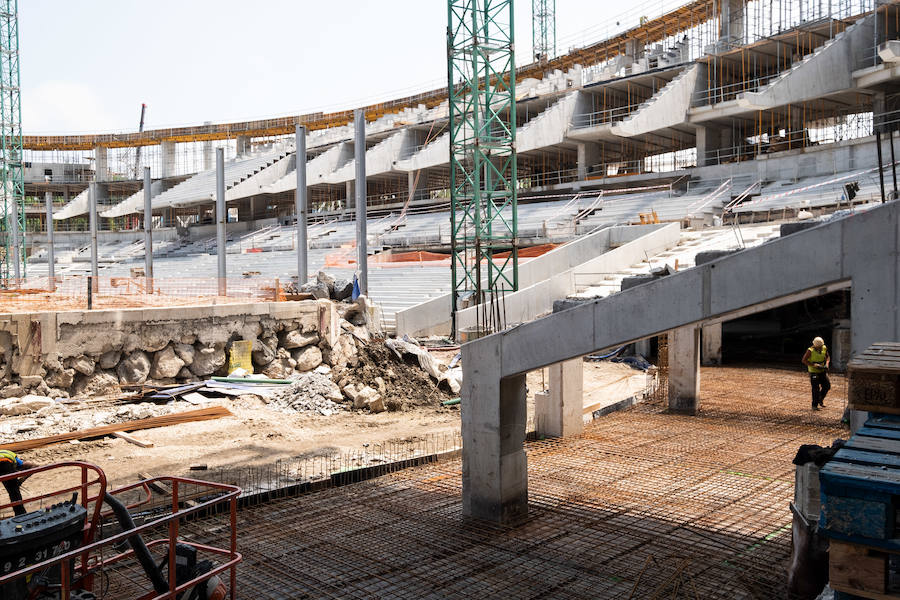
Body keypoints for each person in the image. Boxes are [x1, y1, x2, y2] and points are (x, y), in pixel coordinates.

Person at [0, 449, 37, 516]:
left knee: (12, 490)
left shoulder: (13, 458)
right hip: (5, 463)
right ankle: (20, 514)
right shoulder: (18, 462)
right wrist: (21, 480)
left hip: (6, 463)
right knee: (14, 493)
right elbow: (34, 466)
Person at [802, 337, 831, 410]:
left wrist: (827, 364)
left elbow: (827, 357)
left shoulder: (824, 348)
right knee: (815, 389)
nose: (820, 348)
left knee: (827, 386)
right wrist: (814, 365)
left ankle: (820, 399)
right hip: (813, 371)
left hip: (822, 370)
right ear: (815, 346)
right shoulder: (810, 350)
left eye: (821, 346)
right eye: (818, 347)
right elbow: (804, 360)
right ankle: (814, 405)